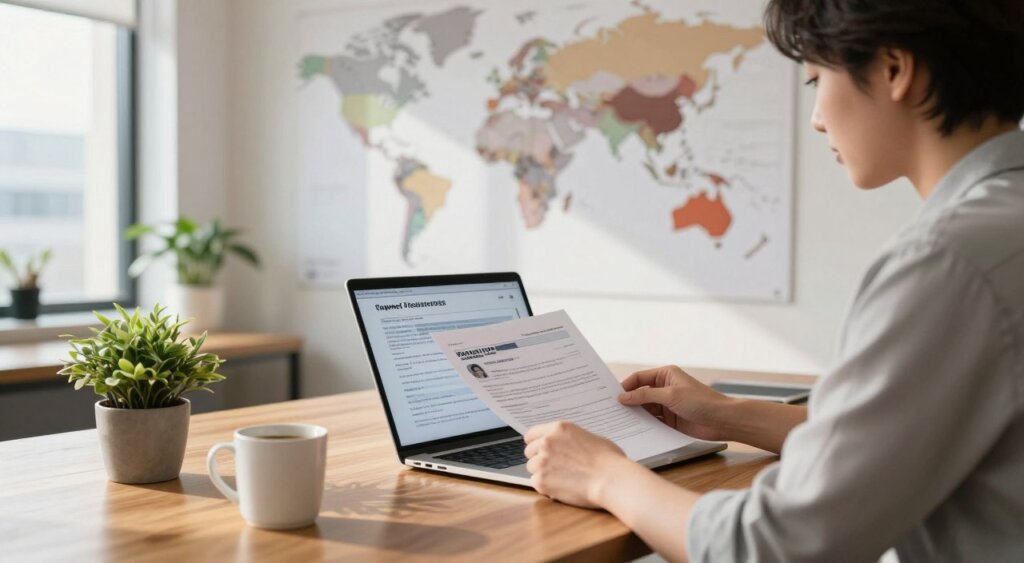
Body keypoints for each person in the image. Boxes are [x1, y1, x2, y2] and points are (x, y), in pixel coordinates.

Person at [523, 0, 1024, 561]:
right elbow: (907, 434)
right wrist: (728, 414)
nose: (817, 118)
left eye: (816, 80)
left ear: (893, 69)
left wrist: (602, 475)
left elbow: (776, 546)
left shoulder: (947, 262)